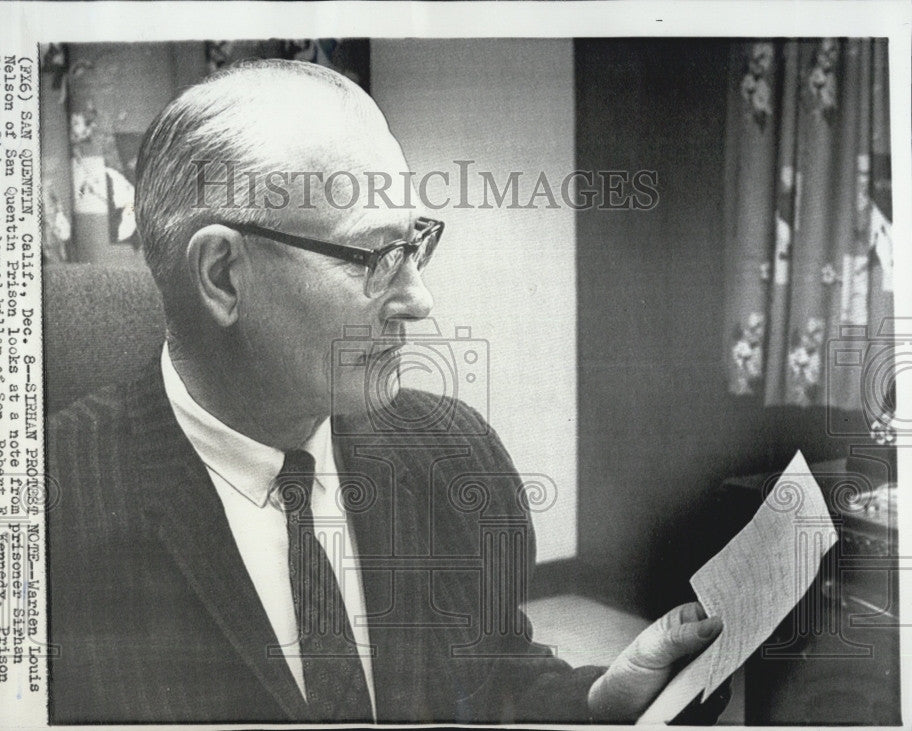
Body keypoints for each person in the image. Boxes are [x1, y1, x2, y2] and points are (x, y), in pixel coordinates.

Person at [47, 58, 727, 724]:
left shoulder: (454, 453)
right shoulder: (44, 511)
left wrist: (597, 703)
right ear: (224, 275)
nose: (419, 300)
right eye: (374, 256)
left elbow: (491, 680)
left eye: (415, 244)